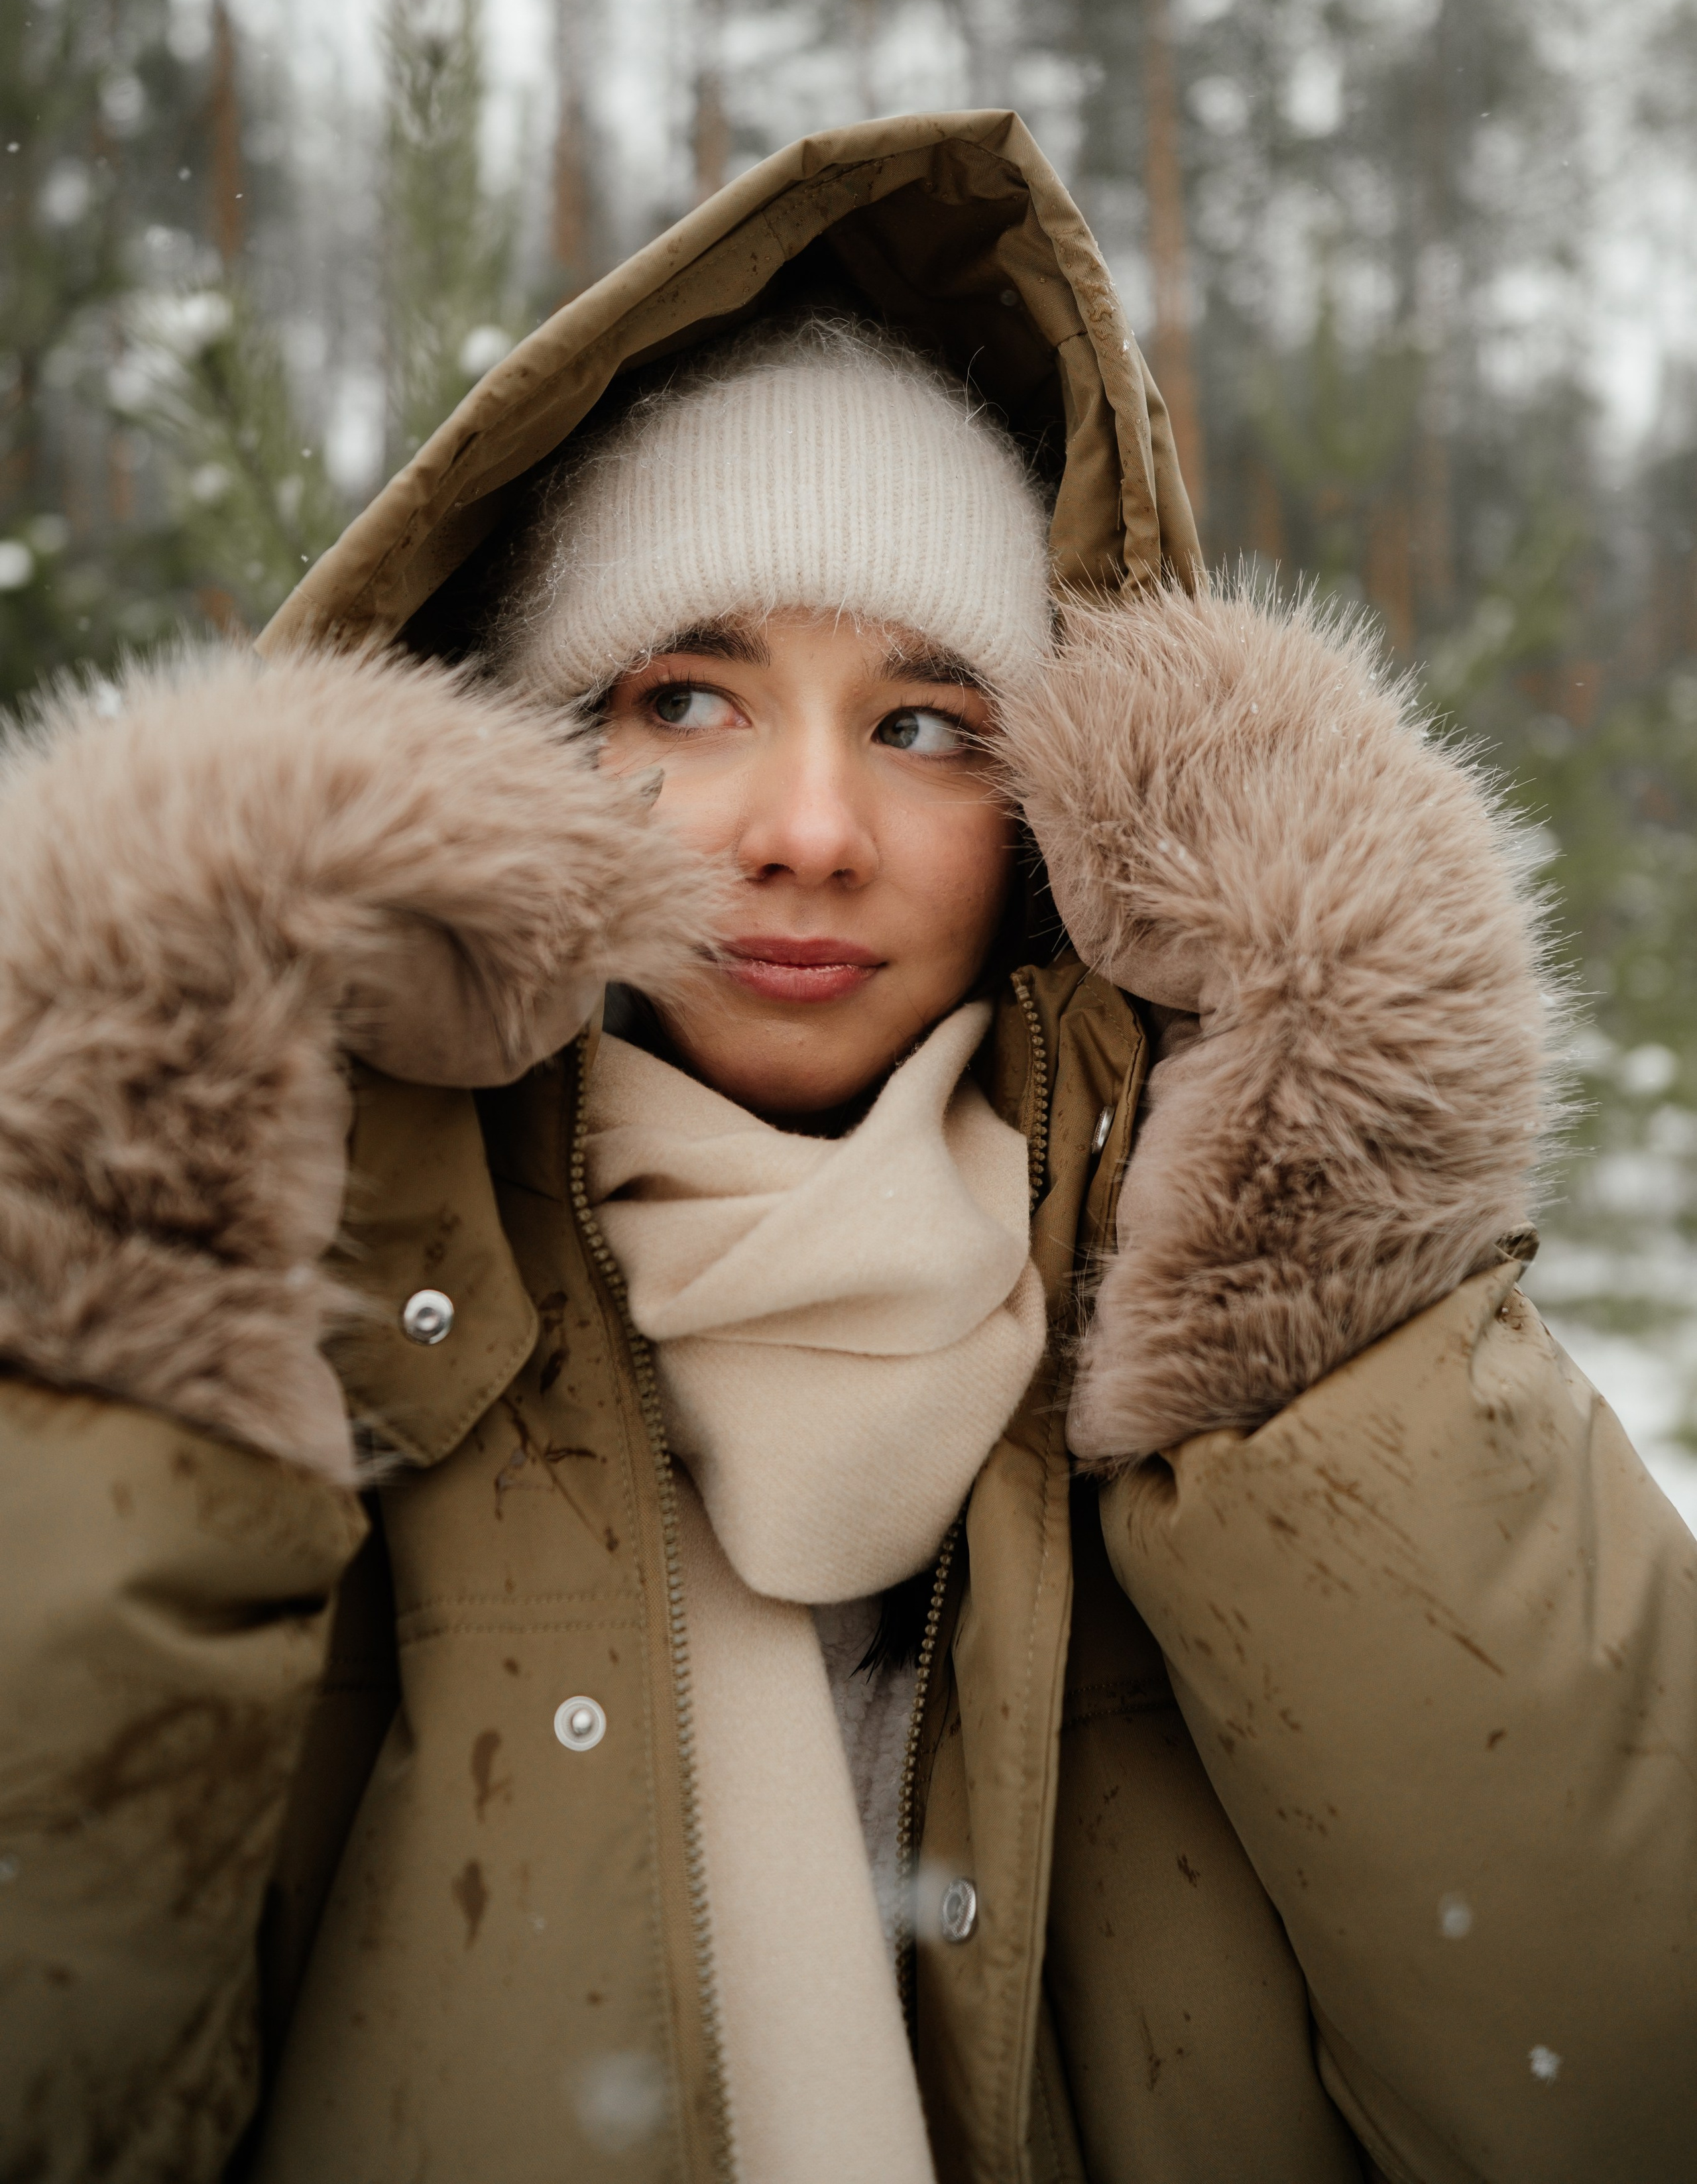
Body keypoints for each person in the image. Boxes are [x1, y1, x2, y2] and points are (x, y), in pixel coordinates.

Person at [0, 112, 1691, 2184]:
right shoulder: (301, 1350)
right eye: (688, 701)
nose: (806, 830)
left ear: (1066, 820)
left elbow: (1607, 2081)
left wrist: (1329, 1278)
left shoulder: (1255, 1369)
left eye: (926, 727)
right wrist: (122, 1290)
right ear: (519, 772)